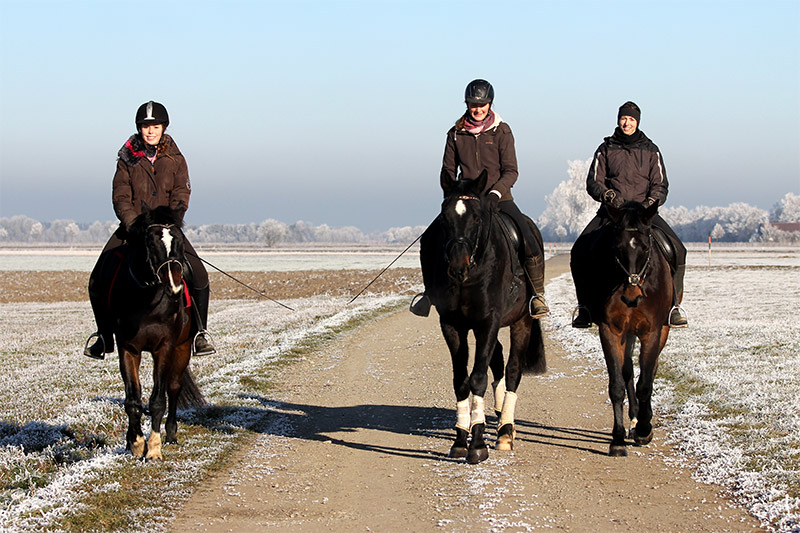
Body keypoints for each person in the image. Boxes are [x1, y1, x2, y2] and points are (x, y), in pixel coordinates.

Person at [84, 100, 216, 359]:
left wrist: (171, 220)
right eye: (145, 126)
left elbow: (182, 193)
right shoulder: (126, 159)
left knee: (198, 274)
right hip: (133, 228)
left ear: (163, 127)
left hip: (167, 229)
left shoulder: (176, 159)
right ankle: (103, 336)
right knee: (97, 276)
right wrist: (134, 224)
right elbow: (121, 196)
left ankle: (200, 333)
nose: (150, 131)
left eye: (155, 126)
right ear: (139, 128)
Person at [410, 79, 549, 319]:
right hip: (466, 198)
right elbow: (447, 171)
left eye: (482, 105)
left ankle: (537, 295)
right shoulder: (455, 133)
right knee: (430, 238)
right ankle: (429, 293)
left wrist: (495, 192)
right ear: (467, 104)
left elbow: (511, 170)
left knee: (528, 239)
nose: (477, 109)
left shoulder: (502, 131)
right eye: (473, 104)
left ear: (489, 105)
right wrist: (454, 195)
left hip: (499, 197)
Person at [571, 101, 687, 328]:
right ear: (618, 120)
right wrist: (609, 196)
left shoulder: (651, 150)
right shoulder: (605, 149)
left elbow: (660, 184)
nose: (627, 122)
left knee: (678, 250)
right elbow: (593, 182)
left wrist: (652, 202)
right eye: (624, 118)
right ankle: (584, 308)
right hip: (612, 214)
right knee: (579, 251)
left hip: (644, 216)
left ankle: (674, 307)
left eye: (631, 119)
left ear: (637, 122)